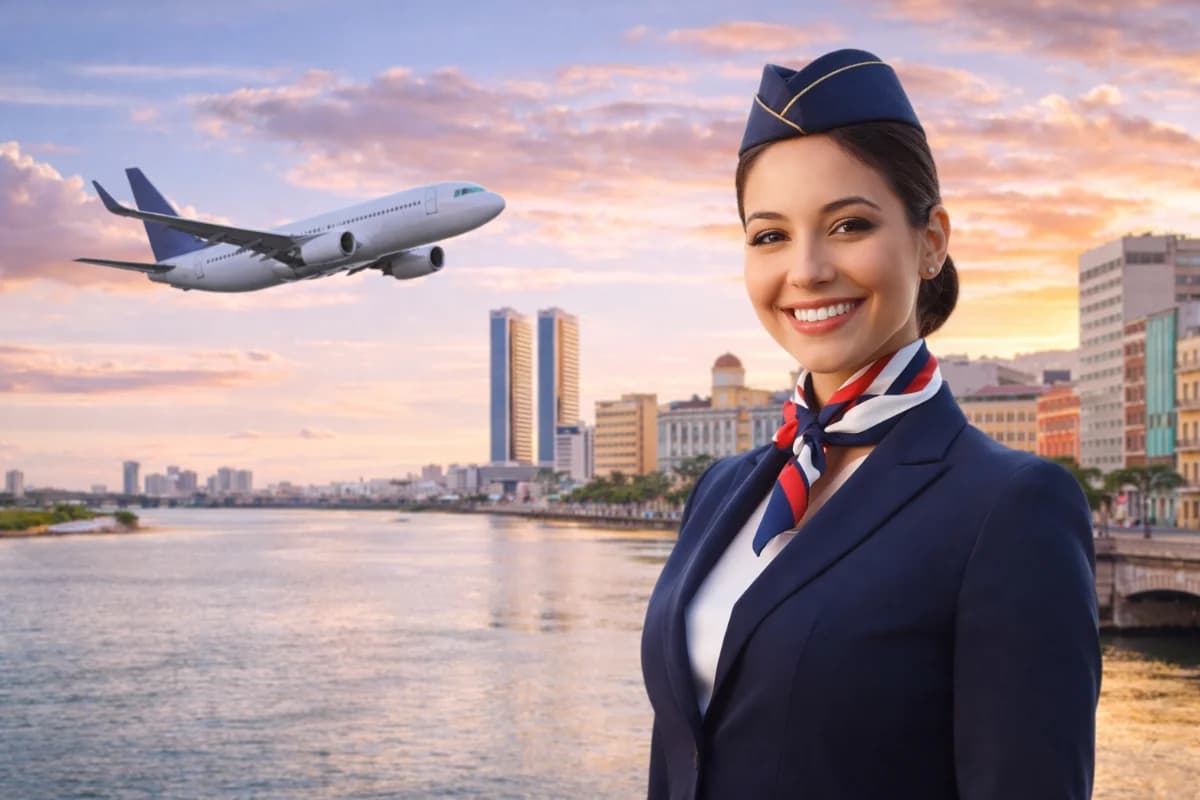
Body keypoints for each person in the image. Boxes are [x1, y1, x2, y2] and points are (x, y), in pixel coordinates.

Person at [640, 49, 1101, 799]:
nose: (808, 269)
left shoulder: (1012, 507)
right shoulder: (722, 489)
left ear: (931, 241)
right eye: (770, 236)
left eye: (849, 224)